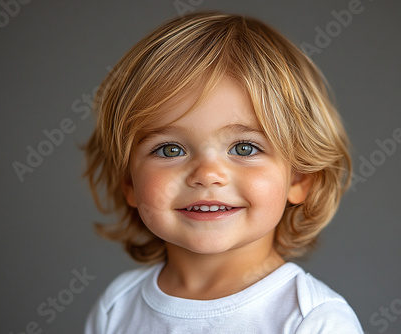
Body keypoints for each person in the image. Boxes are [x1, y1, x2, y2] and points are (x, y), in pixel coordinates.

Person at [83, 11, 363, 333]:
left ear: (299, 177)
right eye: (170, 149)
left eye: (244, 148)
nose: (207, 174)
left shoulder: (312, 321)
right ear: (129, 181)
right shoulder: (117, 307)